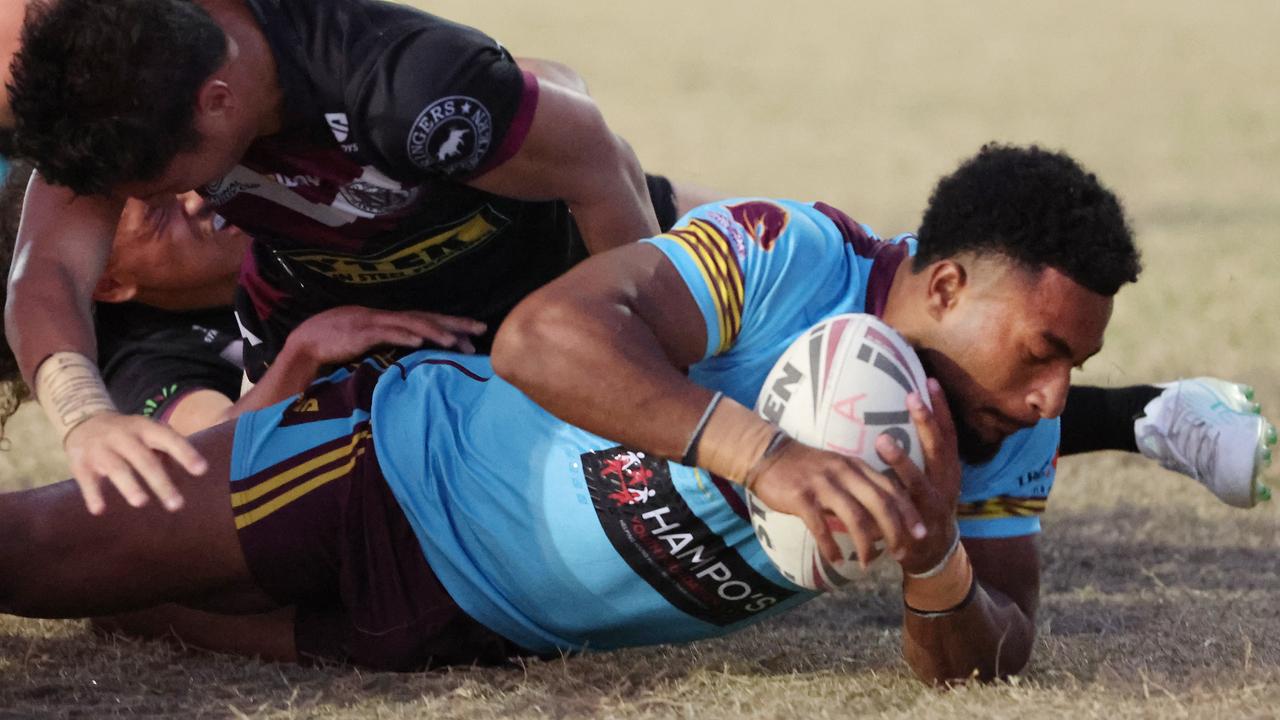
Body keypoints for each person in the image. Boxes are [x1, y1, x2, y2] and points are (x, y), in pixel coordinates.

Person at [0, 144, 1270, 683]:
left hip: (481, 632)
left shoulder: (1009, 422)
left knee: (138, 619)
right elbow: (544, 335)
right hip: (388, 476)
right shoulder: (790, 251)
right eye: (1043, 351)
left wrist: (937, 557)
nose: (1054, 396)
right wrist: (760, 456)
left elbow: (995, 658)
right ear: (942, 284)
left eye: (1073, 369)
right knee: (37, 559)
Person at [0, 0, 697, 514]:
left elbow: (604, 170)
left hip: (536, 296)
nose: (181, 199)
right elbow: (46, 271)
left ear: (216, 103)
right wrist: (84, 414)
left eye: (159, 188)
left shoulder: (406, 85)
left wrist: (649, 364)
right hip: (361, 354)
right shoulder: (123, 84)